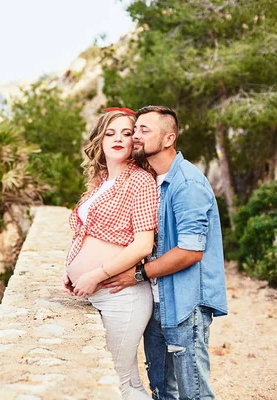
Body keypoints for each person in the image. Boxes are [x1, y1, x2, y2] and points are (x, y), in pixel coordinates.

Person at [99, 106, 228, 400]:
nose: (135, 137)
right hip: (156, 303)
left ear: (168, 139)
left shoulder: (187, 183)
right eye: (136, 130)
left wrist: (138, 274)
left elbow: (190, 252)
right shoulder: (151, 180)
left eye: (144, 130)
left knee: (193, 392)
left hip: (185, 304)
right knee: (161, 389)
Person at [63, 107, 158, 400]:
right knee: (127, 381)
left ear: (134, 142)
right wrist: (73, 271)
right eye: (110, 133)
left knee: (117, 383)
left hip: (121, 297)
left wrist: (95, 275)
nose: (118, 138)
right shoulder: (101, 181)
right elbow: (87, 234)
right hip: (100, 293)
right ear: (100, 141)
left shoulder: (140, 181)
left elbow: (143, 245)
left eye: (127, 133)